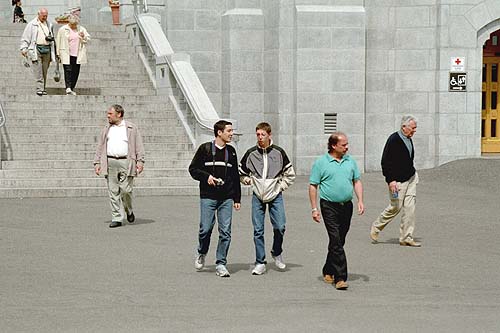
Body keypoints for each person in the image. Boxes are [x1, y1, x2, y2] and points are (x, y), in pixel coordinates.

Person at [309, 132, 364, 290]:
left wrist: (360, 200)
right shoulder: (321, 163)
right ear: (334, 146)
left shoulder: (350, 161)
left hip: (346, 205)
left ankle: (328, 269)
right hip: (328, 206)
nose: (347, 147)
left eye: (347, 144)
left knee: (339, 240)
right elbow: (313, 186)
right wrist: (314, 208)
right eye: (343, 145)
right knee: (335, 239)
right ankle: (340, 278)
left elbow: (357, 181)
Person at [239, 122, 295, 275]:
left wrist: (280, 186)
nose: (260, 137)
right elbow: (241, 171)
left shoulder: (279, 152)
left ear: (270, 135)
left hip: (275, 195)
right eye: (257, 134)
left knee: (280, 226)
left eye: (263, 134)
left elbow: (290, 174)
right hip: (257, 195)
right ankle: (260, 262)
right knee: (258, 230)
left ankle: (276, 251)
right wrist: (247, 181)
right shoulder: (251, 153)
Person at [189, 120, 241, 277]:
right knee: (205, 229)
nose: (232, 134)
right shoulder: (205, 149)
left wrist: (237, 198)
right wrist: (207, 177)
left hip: (226, 198)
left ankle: (221, 263)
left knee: (225, 231)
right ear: (219, 132)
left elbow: (234, 176)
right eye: (229, 131)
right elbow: (193, 169)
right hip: (208, 196)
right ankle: (202, 252)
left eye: (232, 131)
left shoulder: (231, 151)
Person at [370, 115, 421, 247]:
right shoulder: (393, 140)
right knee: (395, 207)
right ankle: (376, 226)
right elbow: (385, 162)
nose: (415, 131)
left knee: (410, 209)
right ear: (404, 127)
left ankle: (406, 237)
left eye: (415, 128)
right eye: (413, 128)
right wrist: (390, 180)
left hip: (411, 178)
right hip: (397, 181)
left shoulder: (409, 139)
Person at [93, 104, 145, 228]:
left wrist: (140, 161)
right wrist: (97, 162)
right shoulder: (106, 128)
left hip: (126, 162)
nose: (108, 116)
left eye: (110, 114)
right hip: (110, 162)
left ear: (119, 114)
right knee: (113, 191)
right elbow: (100, 146)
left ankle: (129, 210)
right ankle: (117, 217)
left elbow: (139, 145)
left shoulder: (131, 128)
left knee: (126, 190)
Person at [19, 8, 56, 96]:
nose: (45, 17)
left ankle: (43, 88)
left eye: (46, 16)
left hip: (47, 49)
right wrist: (24, 48)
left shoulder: (49, 24)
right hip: (36, 49)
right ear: (38, 14)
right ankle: (39, 88)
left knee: (44, 70)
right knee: (38, 69)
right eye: (43, 16)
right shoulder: (32, 24)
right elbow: (25, 37)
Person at [56, 14, 90, 96]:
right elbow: (58, 41)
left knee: (76, 72)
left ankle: (71, 88)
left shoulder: (81, 29)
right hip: (66, 53)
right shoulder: (63, 29)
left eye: (75, 24)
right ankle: (68, 88)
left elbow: (88, 38)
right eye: (72, 25)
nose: (74, 26)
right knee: (68, 70)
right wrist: (58, 54)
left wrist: (83, 36)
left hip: (77, 54)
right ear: (69, 22)